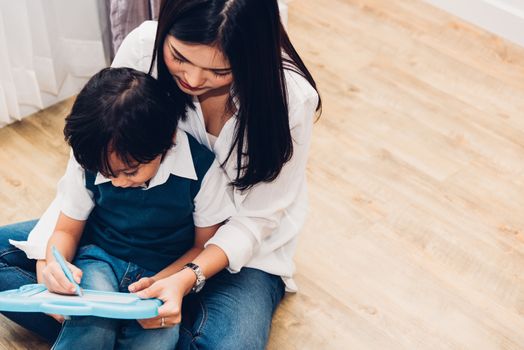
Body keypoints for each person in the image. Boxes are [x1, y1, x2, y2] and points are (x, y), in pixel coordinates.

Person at [0, 0, 321, 348]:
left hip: (231, 249)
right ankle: (121, 322)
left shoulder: (290, 100)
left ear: (252, 58)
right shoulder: (143, 48)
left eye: (220, 71)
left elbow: (256, 220)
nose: (194, 80)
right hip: (128, 229)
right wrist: (49, 262)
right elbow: (96, 151)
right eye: (180, 58)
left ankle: (121, 323)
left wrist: (185, 278)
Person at [2, 67, 234, 349]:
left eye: (131, 171)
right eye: (108, 174)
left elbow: (203, 247)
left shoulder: (203, 171)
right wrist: (54, 264)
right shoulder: (92, 158)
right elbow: (66, 230)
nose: (119, 183)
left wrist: (160, 285)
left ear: (168, 140)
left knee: (158, 337)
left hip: (163, 271)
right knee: (88, 324)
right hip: (100, 259)